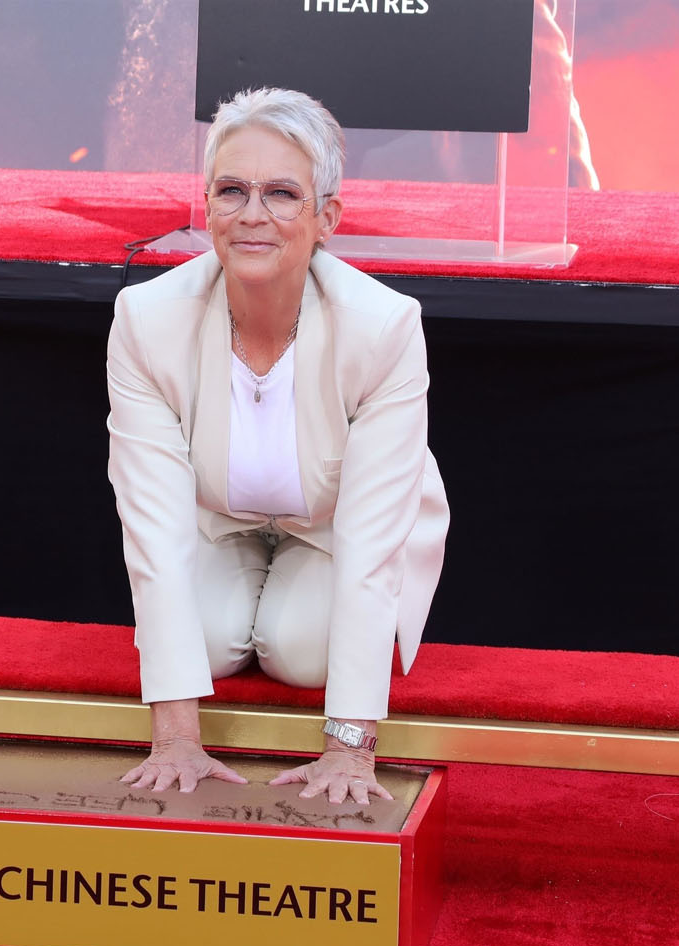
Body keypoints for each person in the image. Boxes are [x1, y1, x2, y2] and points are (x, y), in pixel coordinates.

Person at [106, 87, 449, 805]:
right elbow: (153, 526)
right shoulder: (145, 319)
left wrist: (349, 748)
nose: (252, 214)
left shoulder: (384, 327)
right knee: (198, 647)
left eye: (282, 193)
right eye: (231, 190)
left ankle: (281, 613)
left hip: (336, 530)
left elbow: (370, 544)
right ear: (207, 207)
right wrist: (175, 736)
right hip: (218, 520)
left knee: (298, 652)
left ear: (327, 217)